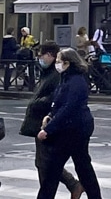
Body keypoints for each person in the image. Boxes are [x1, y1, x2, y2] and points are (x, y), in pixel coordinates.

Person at [35, 47, 103, 199]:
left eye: (59, 61)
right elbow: (58, 102)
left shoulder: (77, 81)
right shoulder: (66, 78)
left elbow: (69, 108)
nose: (57, 64)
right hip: (69, 130)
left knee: (56, 168)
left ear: (67, 63)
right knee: (80, 167)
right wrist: (49, 115)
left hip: (74, 130)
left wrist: (49, 129)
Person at [19, 41, 83, 199]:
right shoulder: (48, 72)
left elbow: (57, 98)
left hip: (47, 123)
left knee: (46, 163)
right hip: (41, 122)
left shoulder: (56, 74)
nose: (39, 58)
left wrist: (37, 104)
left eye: (41, 55)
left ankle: (72, 185)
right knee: (43, 162)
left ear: (50, 55)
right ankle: (72, 185)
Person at [2, 26, 18, 90]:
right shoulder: (12, 39)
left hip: (5, 56)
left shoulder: (3, 38)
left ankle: (5, 83)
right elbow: (13, 47)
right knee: (10, 70)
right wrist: (18, 47)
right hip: (11, 56)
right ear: (12, 32)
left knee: (6, 70)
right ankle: (8, 83)